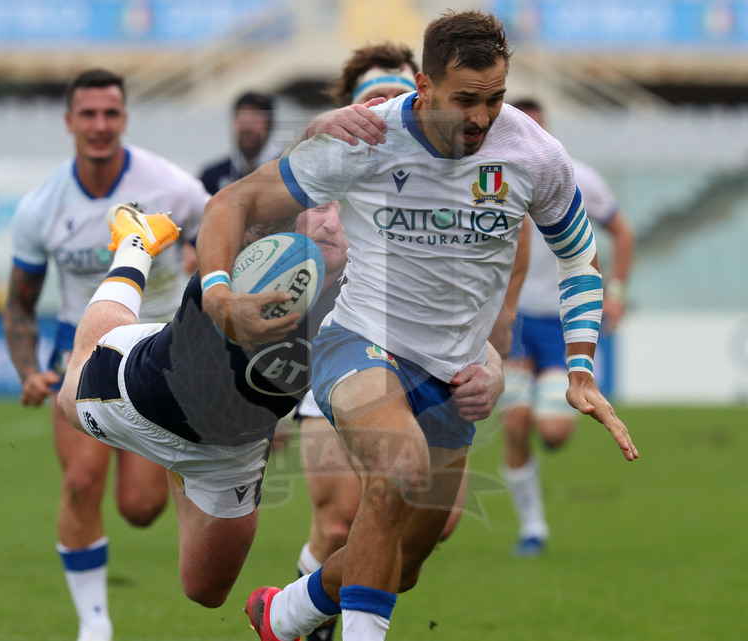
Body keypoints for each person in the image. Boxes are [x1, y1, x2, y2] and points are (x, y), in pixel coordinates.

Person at [196, 10, 638, 641]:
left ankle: (285, 611)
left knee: (400, 565)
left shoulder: (535, 155)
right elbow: (232, 202)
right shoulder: (368, 139)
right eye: (466, 100)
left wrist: (580, 365)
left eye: (495, 98)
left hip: (455, 375)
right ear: (424, 88)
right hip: (359, 344)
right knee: (400, 468)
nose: (482, 118)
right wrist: (217, 293)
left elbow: (578, 256)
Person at [54, 200, 505, 624]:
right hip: (141, 401)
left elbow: (459, 338)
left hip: (232, 451)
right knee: (80, 367)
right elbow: (234, 209)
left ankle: (186, 479)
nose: (331, 222)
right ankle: (135, 245)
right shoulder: (250, 252)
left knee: (206, 590)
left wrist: (493, 377)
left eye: (343, 211)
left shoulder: (367, 289)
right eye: (318, 207)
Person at [293, 41, 523, 641]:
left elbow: (487, 292)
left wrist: (492, 364)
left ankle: (299, 604)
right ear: (351, 108)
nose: (387, 106)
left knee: (415, 547)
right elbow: (263, 250)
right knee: (347, 511)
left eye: (397, 94)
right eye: (373, 98)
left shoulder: (460, 177)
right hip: (343, 358)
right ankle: (314, 621)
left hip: (431, 368)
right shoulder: (328, 170)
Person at [2, 68, 208, 641]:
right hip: (82, 351)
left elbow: (225, 240)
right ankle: (94, 625)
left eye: (110, 114)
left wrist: (200, 255)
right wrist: (27, 371)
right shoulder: (41, 208)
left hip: (157, 352)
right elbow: (19, 303)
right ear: (69, 122)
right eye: (87, 115)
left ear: (124, 119)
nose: (99, 125)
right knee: (80, 484)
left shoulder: (174, 188)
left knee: (141, 509)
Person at [500, 98, 636, 557]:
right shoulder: (491, 178)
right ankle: (533, 527)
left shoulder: (577, 176)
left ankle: (546, 407)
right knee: (515, 420)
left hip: (560, 324)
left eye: (538, 130)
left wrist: (613, 295)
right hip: (515, 320)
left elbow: (623, 231)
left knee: (554, 433)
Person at [199, 91, 285, 196]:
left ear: (269, 122)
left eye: (255, 116)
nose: (246, 127)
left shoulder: (288, 172)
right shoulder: (212, 177)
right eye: (240, 116)